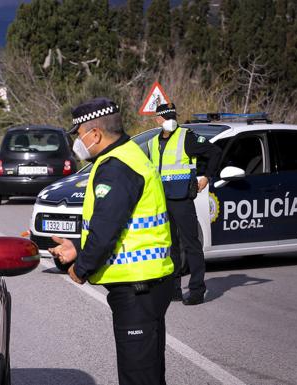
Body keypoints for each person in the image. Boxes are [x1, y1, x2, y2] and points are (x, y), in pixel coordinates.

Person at [49, 97, 174, 385]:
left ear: (95, 134)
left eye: (79, 135)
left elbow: (106, 227)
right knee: (149, 373)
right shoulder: (127, 155)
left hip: (138, 288)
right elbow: (123, 224)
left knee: (138, 377)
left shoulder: (117, 167)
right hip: (147, 284)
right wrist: (77, 247)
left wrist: (81, 268)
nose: (77, 143)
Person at [148, 103, 222, 305]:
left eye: (172, 115)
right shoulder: (153, 143)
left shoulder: (186, 136)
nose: (170, 119)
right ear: (158, 119)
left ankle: (197, 290)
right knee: (171, 246)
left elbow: (214, 152)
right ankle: (174, 289)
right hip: (162, 201)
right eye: (166, 116)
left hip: (182, 199)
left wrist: (207, 176)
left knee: (191, 245)